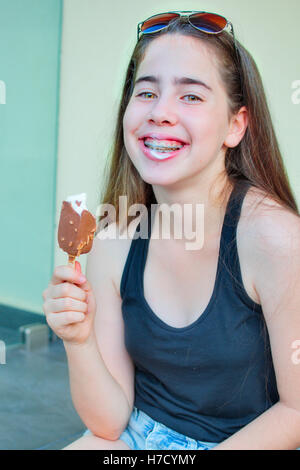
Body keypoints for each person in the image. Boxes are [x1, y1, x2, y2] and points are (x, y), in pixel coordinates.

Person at [42, 11, 300, 450]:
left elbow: (296, 411)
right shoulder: (114, 239)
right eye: (146, 92)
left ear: (235, 125)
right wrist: (78, 340)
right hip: (137, 437)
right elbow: (108, 424)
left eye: (191, 97)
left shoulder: (275, 239)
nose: (160, 112)